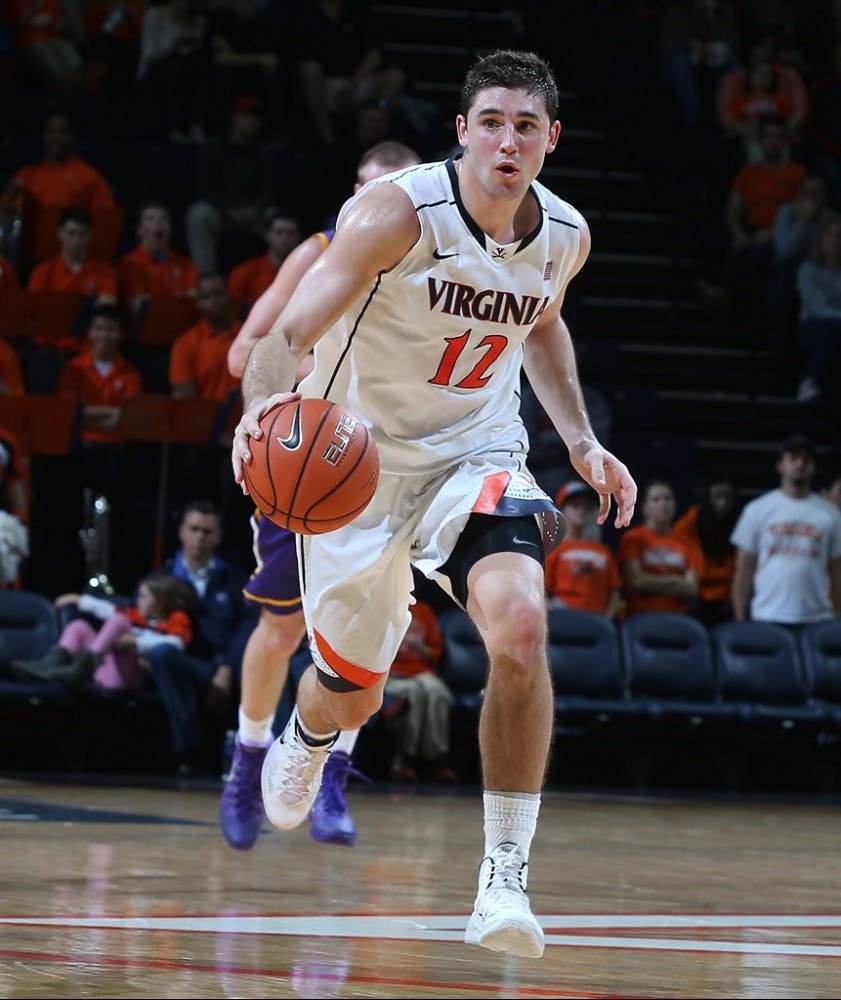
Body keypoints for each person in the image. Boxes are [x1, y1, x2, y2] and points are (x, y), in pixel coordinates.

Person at [231, 50, 637, 959]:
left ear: (550, 139)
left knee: (521, 626)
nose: (507, 142)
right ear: (461, 131)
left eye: (525, 126)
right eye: (490, 122)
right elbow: (283, 335)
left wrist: (578, 441)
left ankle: (504, 876)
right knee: (355, 695)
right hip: (356, 464)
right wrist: (262, 411)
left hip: (474, 454)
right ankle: (309, 729)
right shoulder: (394, 213)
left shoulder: (563, 233)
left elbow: (542, 322)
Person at [220, 139, 422, 853]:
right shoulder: (320, 253)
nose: (380, 201)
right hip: (308, 459)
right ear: (353, 195)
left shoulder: (437, 259)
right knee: (281, 629)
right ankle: (246, 762)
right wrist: (321, 371)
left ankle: (331, 773)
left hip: (386, 466)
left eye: (396, 188)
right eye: (369, 189)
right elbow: (244, 352)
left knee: (369, 631)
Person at [146, 500, 258, 774]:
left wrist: (227, 667)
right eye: (194, 529)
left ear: (218, 537)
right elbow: (139, 618)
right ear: (182, 532)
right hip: (183, 664)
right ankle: (191, 753)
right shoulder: (161, 579)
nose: (199, 537)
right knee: (162, 655)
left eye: (207, 531)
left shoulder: (236, 580)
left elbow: (248, 626)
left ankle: (262, 763)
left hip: (227, 668)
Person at [10, 572, 196, 691]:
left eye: (143, 596)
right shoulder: (138, 615)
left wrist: (136, 642)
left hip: (132, 678)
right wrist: (78, 599)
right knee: (80, 626)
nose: (138, 600)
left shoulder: (176, 620)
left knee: (119, 621)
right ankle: (51, 666)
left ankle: (81, 667)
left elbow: (177, 643)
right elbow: (108, 609)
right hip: (104, 673)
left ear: (161, 601)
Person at [730, 433, 841, 627]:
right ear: (781, 466)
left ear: (813, 468)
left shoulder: (831, 514)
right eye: (793, 458)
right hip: (768, 615)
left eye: (806, 460)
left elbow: (837, 570)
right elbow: (743, 570)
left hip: (817, 617)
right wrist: (740, 619)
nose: (800, 464)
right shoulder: (757, 510)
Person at [384, 597, 455, 783]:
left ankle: (437, 758)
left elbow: (435, 655)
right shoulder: (383, 606)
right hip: (393, 673)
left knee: (437, 692)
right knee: (412, 693)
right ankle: (405, 759)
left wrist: (418, 646)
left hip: (422, 671)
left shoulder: (423, 610)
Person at [616, 479, 701, 619]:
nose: (663, 503)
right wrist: (675, 580)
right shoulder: (633, 539)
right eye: (656, 499)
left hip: (678, 619)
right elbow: (636, 582)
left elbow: (692, 589)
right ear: (645, 507)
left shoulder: (687, 543)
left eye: (668, 498)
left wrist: (651, 582)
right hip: (639, 618)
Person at [544, 480, 622, 619]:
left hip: (596, 620)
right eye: (575, 505)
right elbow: (541, 589)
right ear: (562, 509)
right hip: (563, 616)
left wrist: (605, 621)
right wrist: (554, 617)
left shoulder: (602, 550)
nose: (581, 511)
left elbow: (614, 592)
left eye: (587, 506)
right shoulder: (553, 548)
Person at [674, 477, 740, 626]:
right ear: (708, 497)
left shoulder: (739, 522)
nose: (723, 503)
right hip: (697, 594)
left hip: (728, 597)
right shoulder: (691, 521)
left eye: (728, 498)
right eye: (718, 496)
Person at [115, 201, 200, 315]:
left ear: (170, 229)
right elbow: (138, 308)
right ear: (139, 230)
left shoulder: (186, 264)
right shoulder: (129, 264)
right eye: (150, 218)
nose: (158, 222)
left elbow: (195, 303)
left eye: (164, 218)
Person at [227, 209, 301, 318]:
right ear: (267, 235)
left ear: (298, 237)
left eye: (291, 233)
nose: (285, 238)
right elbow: (232, 314)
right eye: (279, 232)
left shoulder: (307, 271)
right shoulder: (245, 272)